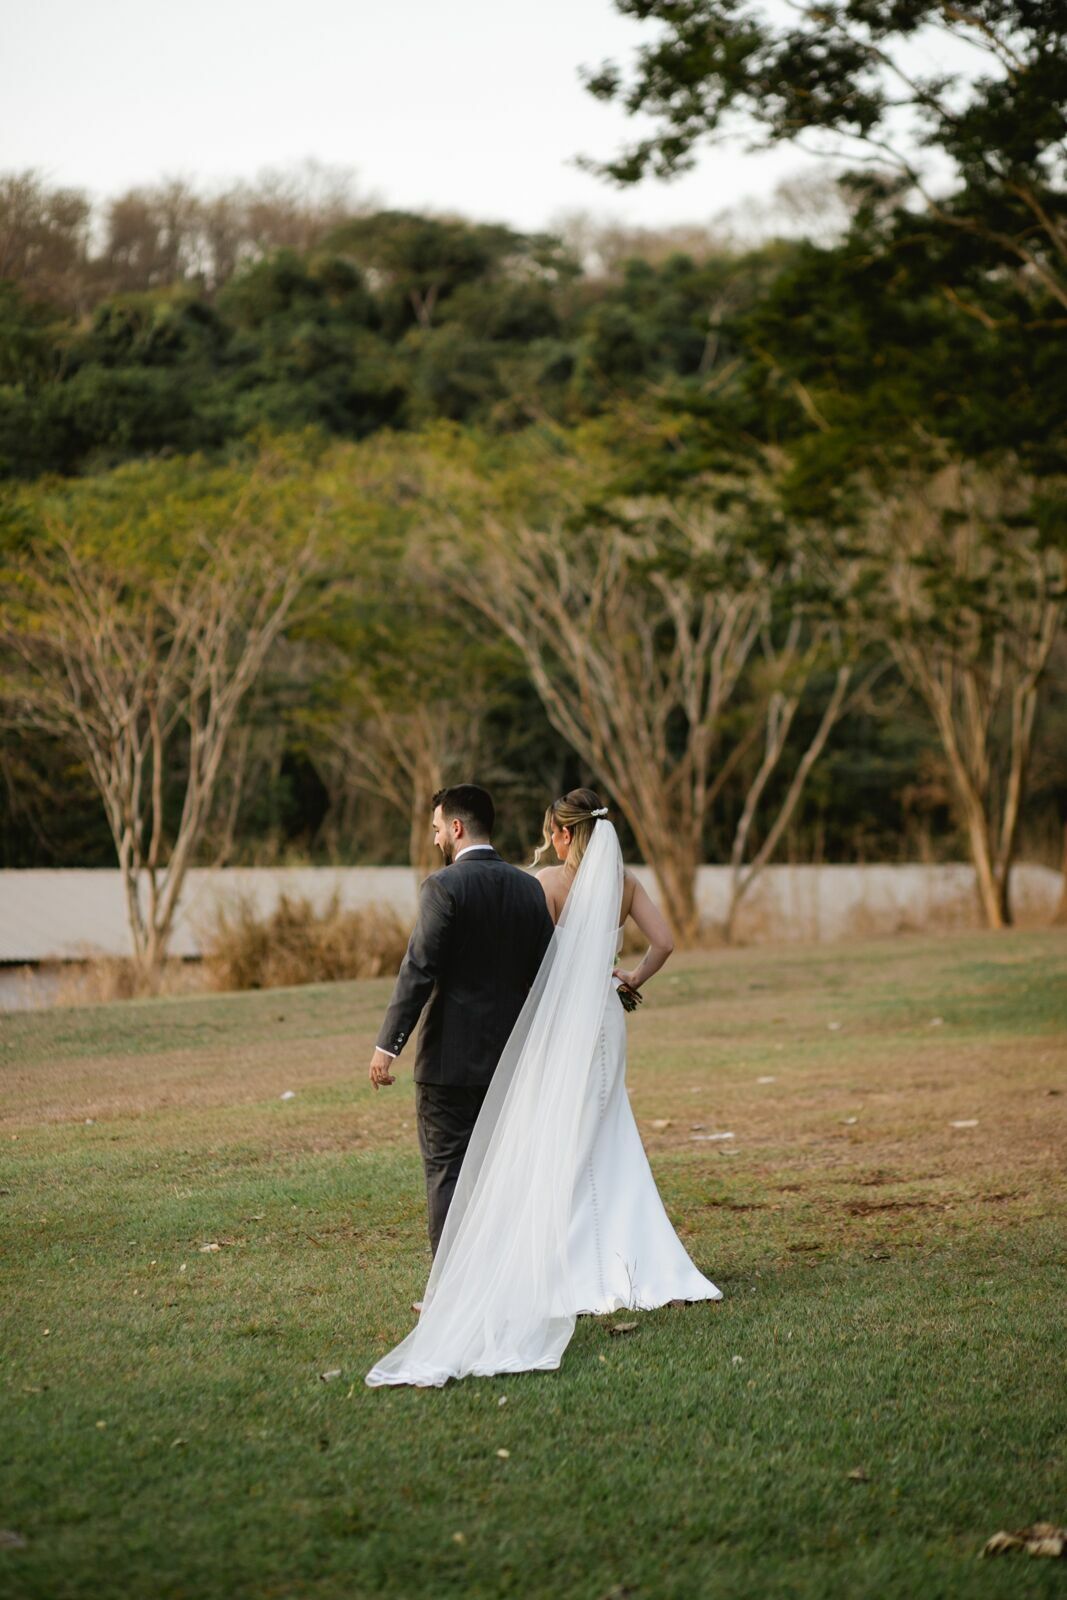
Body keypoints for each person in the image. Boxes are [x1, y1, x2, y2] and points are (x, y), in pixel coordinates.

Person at [365, 788, 722, 1389]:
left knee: (559, 1141)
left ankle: (552, 1270)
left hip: (558, 1028)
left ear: (562, 833)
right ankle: (633, 1261)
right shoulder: (623, 884)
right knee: (608, 1134)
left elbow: (520, 968)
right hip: (606, 1019)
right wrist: (628, 977)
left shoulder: (545, 885)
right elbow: (665, 941)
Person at [367, 783, 554, 1257]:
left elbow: (419, 969)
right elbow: (547, 975)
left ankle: (448, 1294)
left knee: (447, 1172)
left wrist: (387, 1046)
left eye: (435, 829)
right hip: (511, 1064)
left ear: (455, 827)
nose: (434, 840)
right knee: (501, 1174)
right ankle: (500, 1282)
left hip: (448, 1066)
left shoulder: (442, 887)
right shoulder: (528, 889)